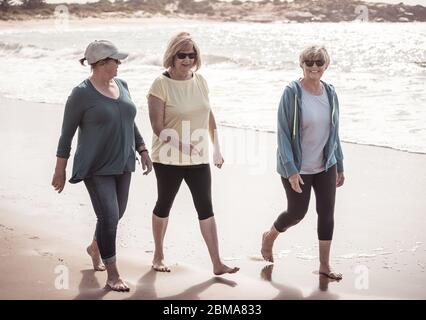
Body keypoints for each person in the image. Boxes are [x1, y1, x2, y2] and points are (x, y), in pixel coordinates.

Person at [51, 40, 152, 292]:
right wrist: (59, 169)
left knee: (116, 214)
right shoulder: (81, 94)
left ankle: (95, 247)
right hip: (95, 166)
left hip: (124, 162)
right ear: (100, 64)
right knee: (108, 216)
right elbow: (66, 134)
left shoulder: (122, 85)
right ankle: (113, 274)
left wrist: (142, 149)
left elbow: (130, 121)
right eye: (115, 60)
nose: (119, 64)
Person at [146, 32, 239, 275]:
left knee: (206, 207)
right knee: (164, 204)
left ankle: (217, 263)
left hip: (198, 157)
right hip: (168, 159)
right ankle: (158, 255)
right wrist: (182, 146)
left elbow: (208, 114)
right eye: (182, 55)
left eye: (192, 55)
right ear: (172, 56)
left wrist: (216, 147)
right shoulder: (160, 84)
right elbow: (157, 127)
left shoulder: (201, 81)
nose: (187, 60)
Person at [261, 45, 345, 280]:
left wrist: (339, 163)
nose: (314, 67)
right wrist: (291, 170)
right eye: (309, 62)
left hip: (325, 164)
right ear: (302, 64)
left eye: (319, 63)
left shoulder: (330, 93)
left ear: (326, 65)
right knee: (297, 212)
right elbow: (283, 133)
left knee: (326, 213)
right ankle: (269, 236)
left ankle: (324, 265)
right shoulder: (292, 92)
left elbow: (334, 131)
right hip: (297, 166)